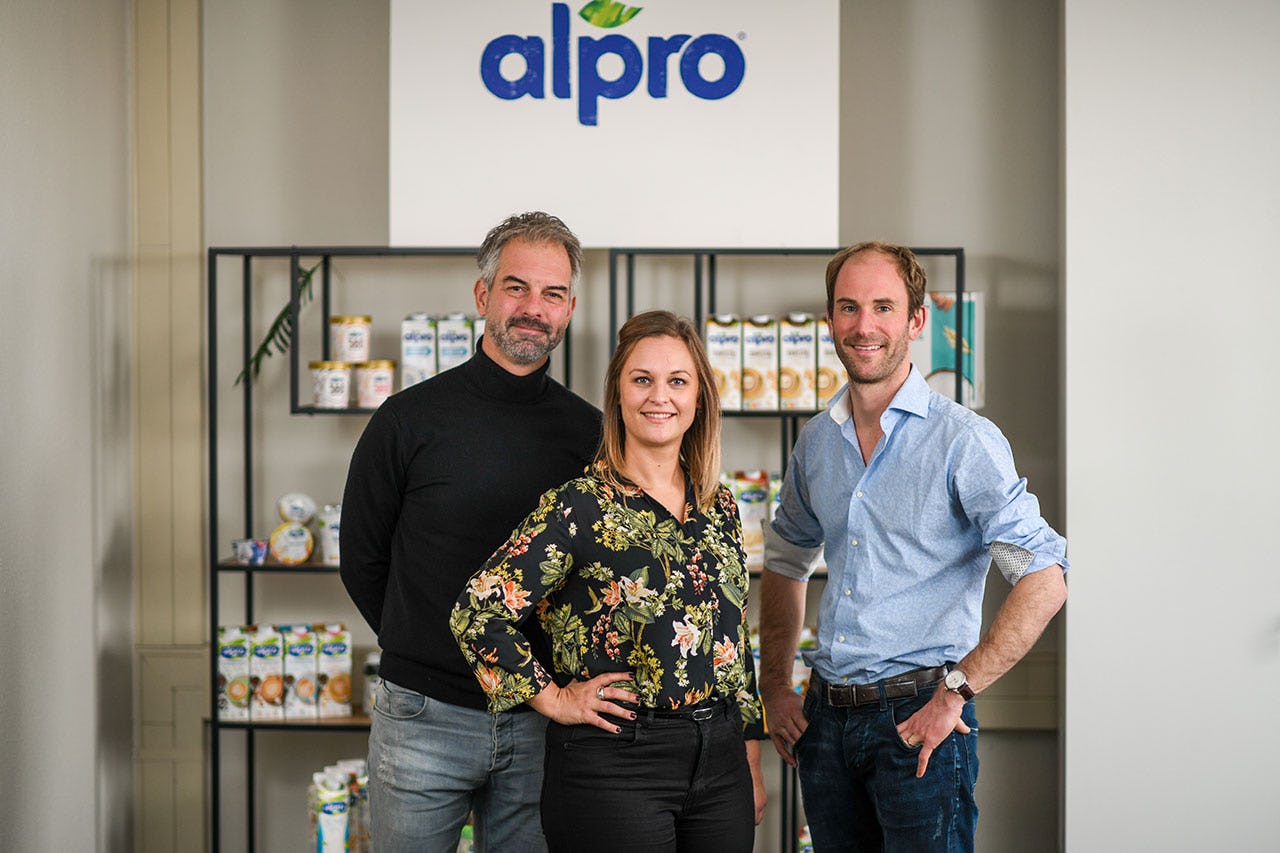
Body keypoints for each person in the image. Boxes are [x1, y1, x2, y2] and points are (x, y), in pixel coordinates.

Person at [758, 241, 1068, 852]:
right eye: (848, 308)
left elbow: (1044, 575)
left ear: (917, 319)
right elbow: (786, 560)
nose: (864, 325)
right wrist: (773, 685)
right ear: (830, 321)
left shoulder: (963, 442)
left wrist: (957, 691)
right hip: (824, 722)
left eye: (883, 306)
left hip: (919, 721)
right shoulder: (817, 442)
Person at [451, 310, 768, 853]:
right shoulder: (580, 506)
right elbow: (478, 612)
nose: (658, 396)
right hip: (616, 765)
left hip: (720, 763)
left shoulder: (721, 507)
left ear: (699, 399)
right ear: (618, 394)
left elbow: (733, 641)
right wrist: (553, 699)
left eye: (677, 381)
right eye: (641, 379)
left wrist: (751, 759)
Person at [340, 211, 602, 852]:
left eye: (553, 294)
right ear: (484, 295)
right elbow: (361, 560)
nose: (533, 309)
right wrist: (424, 647)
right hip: (423, 718)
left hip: (543, 719)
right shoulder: (407, 420)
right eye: (517, 288)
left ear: (568, 310)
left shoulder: (591, 434)